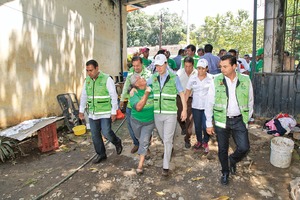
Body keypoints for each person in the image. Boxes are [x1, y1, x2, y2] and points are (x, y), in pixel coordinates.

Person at [205, 54, 254, 185]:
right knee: (222, 149)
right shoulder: (216, 81)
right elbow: (209, 103)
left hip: (239, 120)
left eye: (225, 66)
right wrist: (209, 123)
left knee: (244, 147)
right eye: (221, 66)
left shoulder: (245, 80)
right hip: (222, 120)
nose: (222, 69)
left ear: (234, 66)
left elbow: (250, 102)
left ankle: (232, 159)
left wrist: (246, 120)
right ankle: (225, 172)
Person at [148, 54, 187, 177]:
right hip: (157, 113)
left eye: (160, 65)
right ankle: (169, 148)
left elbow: (181, 93)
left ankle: (165, 166)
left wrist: (184, 110)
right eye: (156, 66)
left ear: (166, 64)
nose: (158, 68)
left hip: (170, 113)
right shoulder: (153, 77)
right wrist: (133, 89)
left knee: (168, 139)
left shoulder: (174, 77)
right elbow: (144, 86)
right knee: (163, 137)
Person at [79, 59, 123, 164]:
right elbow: (84, 96)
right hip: (93, 113)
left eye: (91, 70)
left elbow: (113, 95)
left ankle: (117, 142)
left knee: (106, 132)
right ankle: (101, 154)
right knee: (95, 135)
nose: (89, 73)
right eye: (87, 71)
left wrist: (114, 111)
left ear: (97, 68)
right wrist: (81, 110)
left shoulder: (107, 79)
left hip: (105, 112)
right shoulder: (87, 81)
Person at [120, 56, 152, 154]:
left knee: (146, 128)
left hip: (145, 105)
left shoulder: (148, 74)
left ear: (142, 64)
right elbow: (126, 87)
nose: (136, 68)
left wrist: (136, 88)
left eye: (138, 65)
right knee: (131, 127)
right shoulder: (130, 74)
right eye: (134, 66)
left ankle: (145, 146)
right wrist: (122, 99)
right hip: (131, 105)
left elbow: (149, 87)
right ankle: (137, 143)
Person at [129, 74, 155, 175]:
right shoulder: (133, 94)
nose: (142, 78)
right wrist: (146, 94)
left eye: (141, 76)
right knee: (140, 138)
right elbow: (139, 107)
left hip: (149, 121)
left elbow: (158, 77)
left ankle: (140, 165)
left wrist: (148, 91)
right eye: (139, 78)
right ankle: (146, 148)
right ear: (136, 84)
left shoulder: (151, 88)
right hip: (136, 121)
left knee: (143, 141)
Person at [185, 58, 212, 152]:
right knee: (197, 125)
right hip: (196, 106)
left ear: (207, 68)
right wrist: (184, 106)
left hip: (207, 107)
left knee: (205, 125)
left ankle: (206, 141)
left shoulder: (211, 79)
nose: (201, 71)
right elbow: (188, 91)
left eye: (203, 68)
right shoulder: (193, 78)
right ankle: (199, 141)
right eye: (199, 68)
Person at [176, 56, 197, 148]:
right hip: (179, 98)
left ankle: (187, 139)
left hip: (191, 99)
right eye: (186, 66)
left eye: (190, 66)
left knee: (189, 119)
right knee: (179, 116)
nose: (188, 69)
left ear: (193, 65)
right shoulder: (179, 73)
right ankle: (183, 127)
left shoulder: (196, 73)